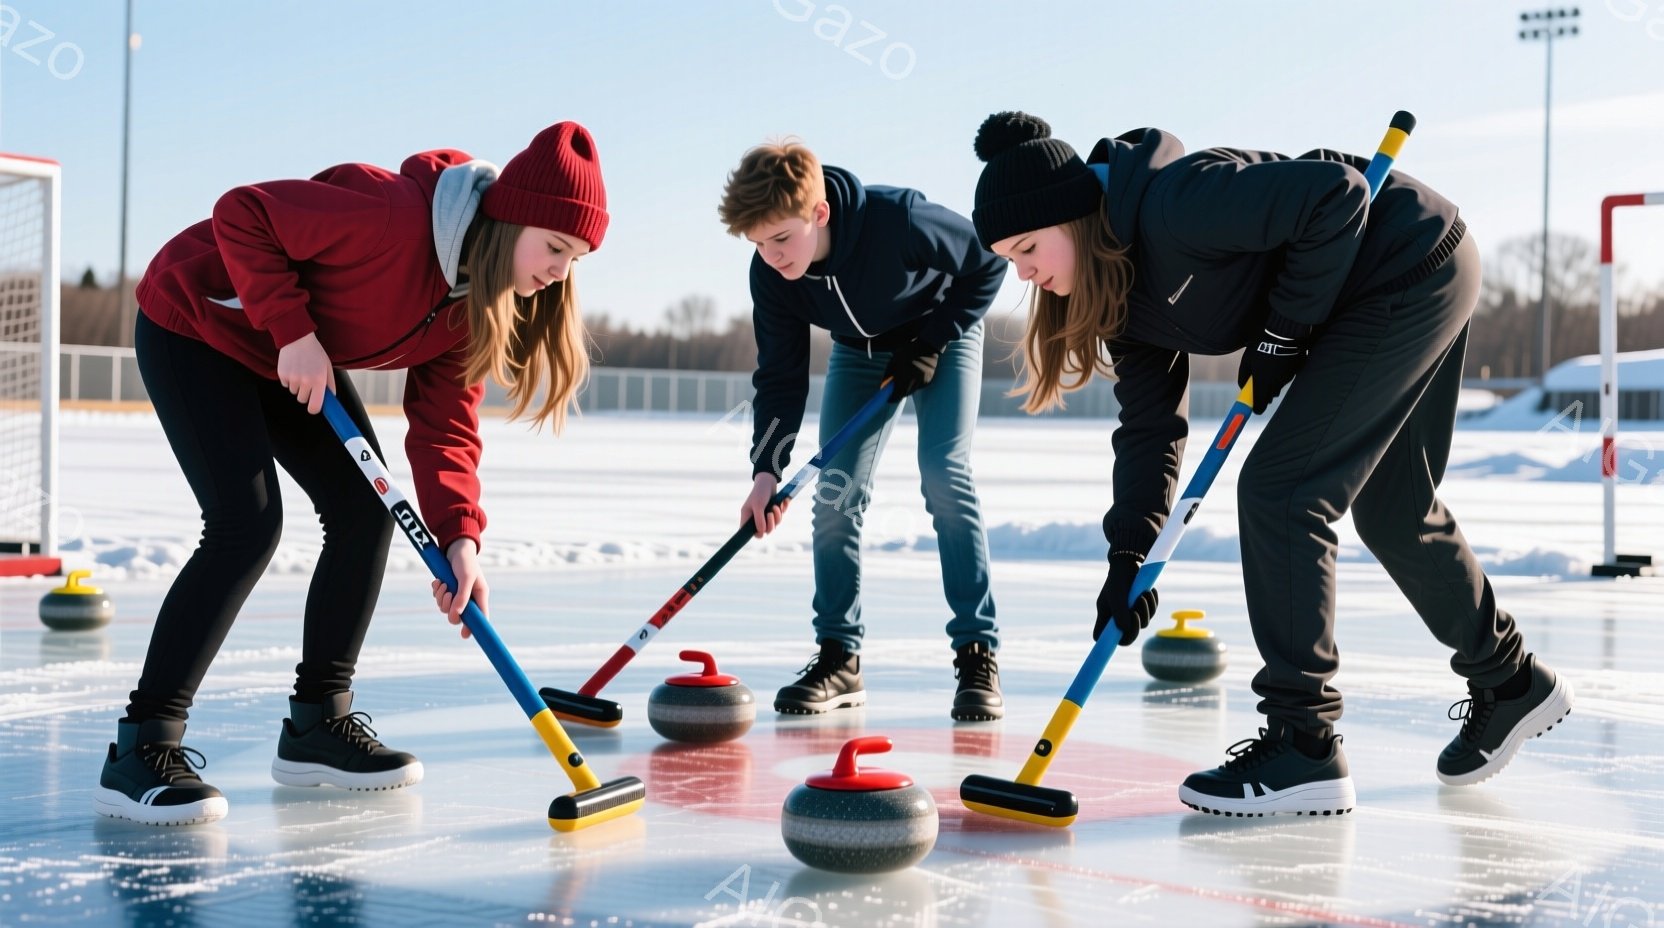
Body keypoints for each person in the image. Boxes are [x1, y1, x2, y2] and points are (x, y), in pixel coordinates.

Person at [968, 111, 1572, 815]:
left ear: (1073, 217)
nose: (1025, 272)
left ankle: (1303, 743)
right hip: (1386, 284)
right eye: (1011, 259)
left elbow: (1338, 196)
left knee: (1283, 490)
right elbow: (1149, 429)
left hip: (1406, 260)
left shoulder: (1176, 203)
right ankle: (1510, 680)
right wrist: (1131, 548)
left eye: (1029, 247)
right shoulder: (1122, 302)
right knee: (1392, 507)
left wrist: (1285, 331)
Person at [94, 121, 609, 826]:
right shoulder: (393, 217)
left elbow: (446, 426)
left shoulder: (475, 307)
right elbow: (242, 213)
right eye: (555, 247)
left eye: (575, 258)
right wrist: (293, 332)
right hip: (198, 323)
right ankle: (141, 745)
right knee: (247, 526)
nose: (560, 270)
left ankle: (317, 727)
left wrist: (461, 536)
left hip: (289, 348)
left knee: (366, 513)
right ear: (508, 217)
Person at [718, 139, 1007, 721]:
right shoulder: (772, 276)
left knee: (943, 473)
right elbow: (780, 374)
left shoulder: (895, 220)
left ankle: (978, 653)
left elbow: (988, 261)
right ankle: (838, 657)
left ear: (818, 213)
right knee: (835, 492)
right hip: (860, 353)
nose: (772, 256)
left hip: (941, 335)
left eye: (781, 238)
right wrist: (766, 469)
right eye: (758, 243)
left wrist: (931, 341)